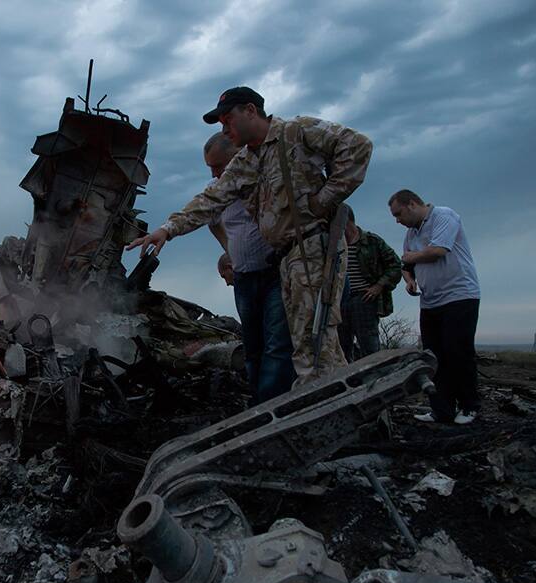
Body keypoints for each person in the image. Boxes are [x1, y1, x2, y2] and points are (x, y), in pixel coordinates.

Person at [127, 86, 373, 384]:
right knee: (318, 346)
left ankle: (317, 416)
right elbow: (210, 198)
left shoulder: (296, 131)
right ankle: (351, 408)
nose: (224, 127)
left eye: (227, 119)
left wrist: (324, 199)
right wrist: (167, 230)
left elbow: (358, 146)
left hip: (313, 248)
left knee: (313, 342)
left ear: (250, 111)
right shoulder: (247, 161)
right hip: (287, 258)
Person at [205, 133, 295, 404]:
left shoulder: (264, 178)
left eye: (219, 165)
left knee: (277, 343)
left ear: (238, 155)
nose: (214, 172)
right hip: (244, 276)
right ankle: (258, 404)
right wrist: (230, 250)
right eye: (209, 167)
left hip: (275, 273)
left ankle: (274, 406)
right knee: (252, 345)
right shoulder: (216, 189)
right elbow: (210, 221)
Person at [389, 189, 481, 424]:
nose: (397, 221)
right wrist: (409, 280)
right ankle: (442, 409)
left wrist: (410, 258)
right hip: (430, 301)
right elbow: (406, 263)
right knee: (433, 357)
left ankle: (470, 407)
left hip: (459, 296)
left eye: (399, 214)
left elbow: (438, 251)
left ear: (411, 204)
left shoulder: (443, 216)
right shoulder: (412, 232)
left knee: (458, 352)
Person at [338, 207, 402, 362]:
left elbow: (395, 265)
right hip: (339, 301)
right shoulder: (335, 245)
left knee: (369, 348)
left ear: (347, 221)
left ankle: (376, 380)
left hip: (364, 299)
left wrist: (379, 286)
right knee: (341, 349)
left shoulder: (372, 241)